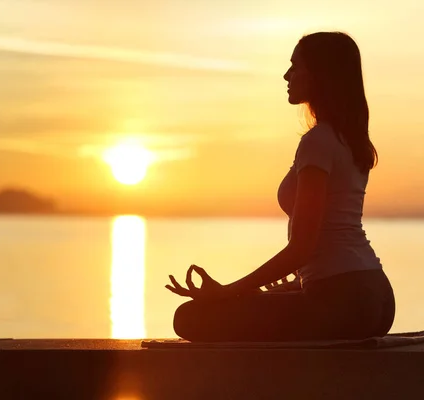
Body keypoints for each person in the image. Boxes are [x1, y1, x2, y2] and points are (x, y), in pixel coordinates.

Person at [165, 31, 395, 342]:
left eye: (295, 67)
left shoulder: (318, 142)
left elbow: (302, 248)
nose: (287, 75)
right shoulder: (348, 141)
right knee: (240, 307)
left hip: (343, 299)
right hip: (375, 296)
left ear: (320, 76)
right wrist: (293, 285)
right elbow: (332, 233)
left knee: (190, 318)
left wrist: (228, 291)